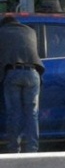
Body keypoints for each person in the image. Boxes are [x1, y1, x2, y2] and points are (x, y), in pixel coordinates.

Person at [0, 15, 45, 153]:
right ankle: (33, 149)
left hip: (13, 73)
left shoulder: (2, 32)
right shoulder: (30, 31)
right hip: (33, 73)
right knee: (32, 114)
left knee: (14, 113)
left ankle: (14, 148)